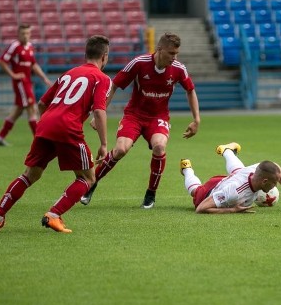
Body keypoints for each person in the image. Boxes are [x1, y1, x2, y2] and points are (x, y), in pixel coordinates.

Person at [0, 35, 112, 234]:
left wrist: (52, 123)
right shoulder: (101, 78)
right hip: (68, 127)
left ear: (85, 53)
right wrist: (104, 143)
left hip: (45, 124)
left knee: (30, 174)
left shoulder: (68, 73)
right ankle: (54, 215)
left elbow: (42, 103)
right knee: (88, 178)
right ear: (104, 57)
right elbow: (99, 111)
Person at [80, 32, 200, 209]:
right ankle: (92, 183)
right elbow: (114, 85)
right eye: (171, 53)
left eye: (177, 54)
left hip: (158, 117)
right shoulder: (139, 63)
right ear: (159, 49)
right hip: (134, 116)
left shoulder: (178, 69)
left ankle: (151, 193)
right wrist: (100, 112)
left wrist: (196, 119)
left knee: (159, 146)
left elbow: (190, 90)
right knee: (121, 149)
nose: (175, 58)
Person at [179, 142, 281, 214]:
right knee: (195, 191)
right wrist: (232, 210)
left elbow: (276, 167)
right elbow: (201, 209)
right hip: (208, 192)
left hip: (229, 180)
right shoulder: (234, 192)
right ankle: (186, 168)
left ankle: (227, 150)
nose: (276, 186)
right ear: (264, 181)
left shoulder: (257, 170)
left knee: (240, 171)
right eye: (274, 183)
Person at [0, 23, 53, 146]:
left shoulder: (30, 46)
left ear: (30, 34)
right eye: (22, 33)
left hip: (27, 82)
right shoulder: (15, 46)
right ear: (18, 34)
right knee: (32, 109)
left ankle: (0, 137)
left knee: (18, 111)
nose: (25, 36)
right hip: (21, 83)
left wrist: (44, 78)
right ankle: (39, 140)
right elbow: (1, 61)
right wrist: (13, 75)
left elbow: (33, 65)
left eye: (27, 33)